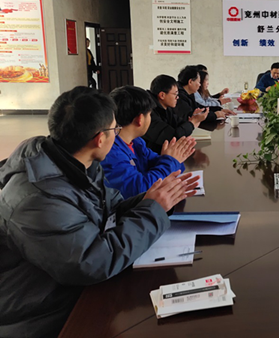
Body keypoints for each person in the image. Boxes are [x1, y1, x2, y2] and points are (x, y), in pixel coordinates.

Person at [0, 87, 198, 338]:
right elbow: (92, 262)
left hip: (73, 290)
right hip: (43, 312)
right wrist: (152, 211)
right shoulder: (36, 199)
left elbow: (110, 208)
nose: (118, 135)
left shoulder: (76, 162)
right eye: (115, 129)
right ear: (99, 139)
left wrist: (150, 200)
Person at [101, 85, 197, 199]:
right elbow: (140, 190)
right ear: (140, 119)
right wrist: (171, 160)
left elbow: (172, 167)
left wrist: (173, 159)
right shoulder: (110, 151)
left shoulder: (137, 142)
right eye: (150, 114)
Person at [143, 75, 208, 153]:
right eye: (175, 94)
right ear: (162, 95)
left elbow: (178, 123)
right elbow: (173, 137)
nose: (177, 97)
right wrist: (192, 123)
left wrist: (192, 119)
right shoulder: (148, 112)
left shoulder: (166, 108)